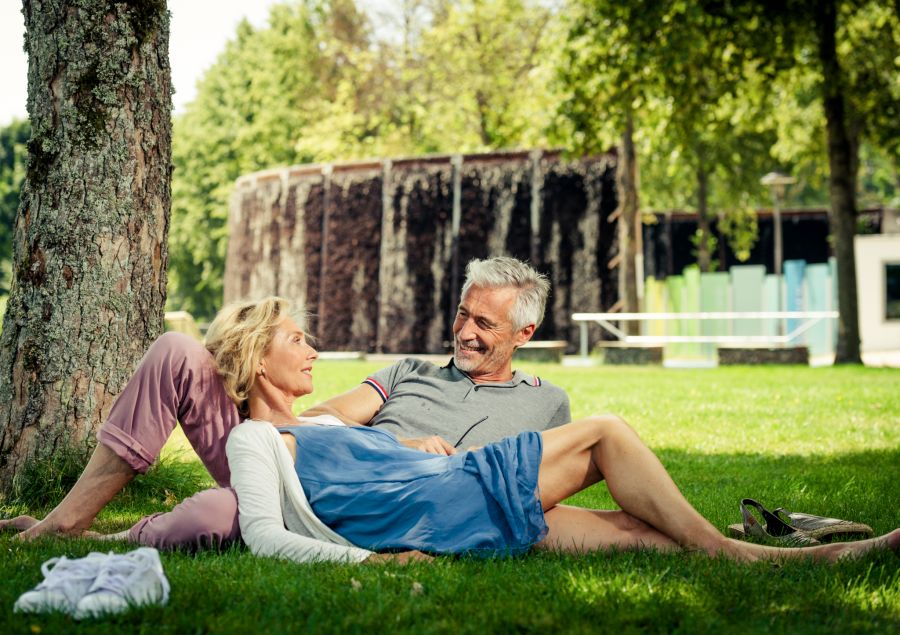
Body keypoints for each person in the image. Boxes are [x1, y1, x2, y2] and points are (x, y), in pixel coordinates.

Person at [223, 296, 899, 564]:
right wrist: (376, 561)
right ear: (256, 360)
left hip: (448, 494)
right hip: (450, 496)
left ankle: (821, 558)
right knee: (604, 431)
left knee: (636, 533)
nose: (313, 349)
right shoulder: (254, 438)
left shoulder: (314, 422)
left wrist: (405, 442)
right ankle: (736, 550)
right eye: (296, 339)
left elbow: (356, 450)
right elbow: (265, 536)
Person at [1, 257, 569, 550]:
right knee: (177, 350)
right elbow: (328, 417)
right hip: (306, 455)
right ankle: (67, 519)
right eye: (463, 315)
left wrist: (421, 465)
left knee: (222, 514)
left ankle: (94, 537)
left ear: (525, 333)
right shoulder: (408, 371)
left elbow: (524, 489)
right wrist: (393, 442)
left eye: (484, 324)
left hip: (387, 497)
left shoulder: (547, 404)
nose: (464, 332)